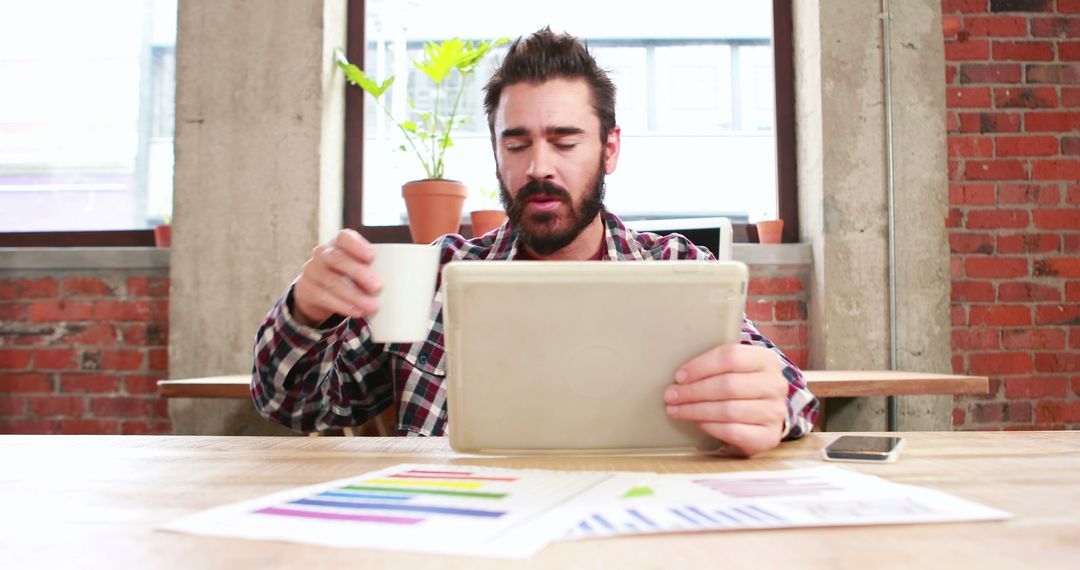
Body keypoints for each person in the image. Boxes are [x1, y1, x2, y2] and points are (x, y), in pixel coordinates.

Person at [252, 28, 818, 457]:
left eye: (565, 141)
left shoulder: (677, 267)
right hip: (462, 532)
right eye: (517, 143)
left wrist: (774, 404)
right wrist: (306, 310)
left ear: (610, 149)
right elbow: (294, 403)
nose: (538, 167)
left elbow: (793, 395)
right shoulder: (435, 275)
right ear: (496, 151)